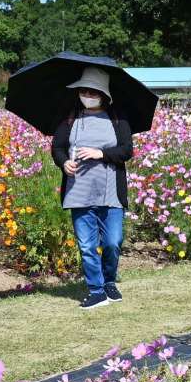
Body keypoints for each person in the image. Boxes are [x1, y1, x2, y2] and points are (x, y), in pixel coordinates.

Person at [56, 65, 134, 309]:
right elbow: (57, 147)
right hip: (78, 191)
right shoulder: (70, 118)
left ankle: (109, 281)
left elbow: (126, 151)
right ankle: (97, 290)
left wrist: (100, 153)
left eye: (93, 92)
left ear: (103, 95)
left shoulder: (117, 118)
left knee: (113, 241)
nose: (87, 96)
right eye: (83, 91)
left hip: (111, 192)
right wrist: (64, 163)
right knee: (87, 245)